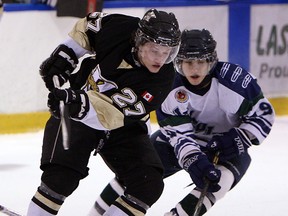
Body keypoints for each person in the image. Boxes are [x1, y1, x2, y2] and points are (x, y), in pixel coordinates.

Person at [89, 29, 275, 216]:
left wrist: (240, 138)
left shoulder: (234, 82)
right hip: (175, 144)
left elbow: (264, 114)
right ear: (178, 62)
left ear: (211, 61)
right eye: (188, 62)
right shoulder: (167, 85)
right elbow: (178, 134)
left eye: (200, 62)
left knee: (220, 183)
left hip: (225, 148)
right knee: (137, 174)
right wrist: (193, 158)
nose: (194, 69)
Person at [26, 8, 181, 216]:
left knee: (148, 184)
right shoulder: (119, 27)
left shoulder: (161, 79)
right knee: (60, 178)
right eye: (155, 50)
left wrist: (77, 102)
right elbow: (88, 28)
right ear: (139, 40)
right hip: (77, 112)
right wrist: (67, 54)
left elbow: (113, 114)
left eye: (167, 52)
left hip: (124, 125)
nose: (161, 59)